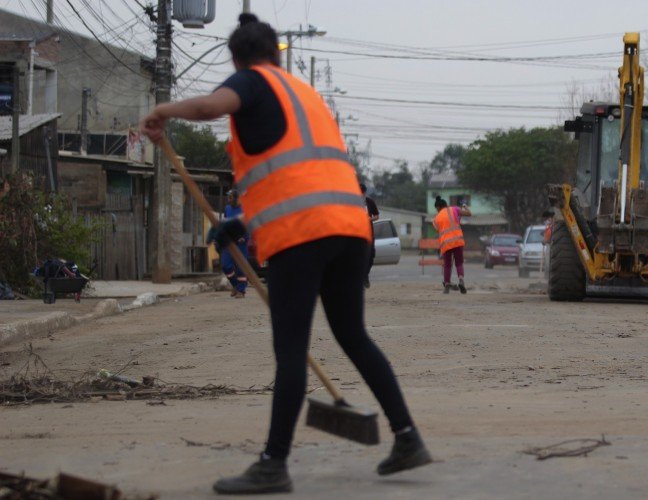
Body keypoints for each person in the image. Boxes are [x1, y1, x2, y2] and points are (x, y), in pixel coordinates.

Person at [139, 13, 431, 495]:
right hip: (350, 230)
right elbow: (298, 178)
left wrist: (164, 110)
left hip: (303, 237)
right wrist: (244, 222)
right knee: (353, 336)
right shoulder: (305, 96)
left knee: (291, 350)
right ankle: (407, 438)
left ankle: (273, 464)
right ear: (277, 52)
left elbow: (214, 106)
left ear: (239, 59)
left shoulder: (252, 82)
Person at [432, 196, 471, 294]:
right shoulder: (455, 209)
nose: (437, 211)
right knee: (459, 263)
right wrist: (465, 206)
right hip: (457, 241)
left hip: (446, 244)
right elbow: (469, 214)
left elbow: (438, 229)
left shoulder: (435, 219)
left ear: (439, 207)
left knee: (447, 265)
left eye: (436, 209)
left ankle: (447, 283)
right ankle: (461, 280)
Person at [219, 189, 249, 298]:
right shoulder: (227, 208)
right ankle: (235, 285)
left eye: (230, 197)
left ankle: (241, 290)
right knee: (225, 265)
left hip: (241, 242)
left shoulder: (245, 209)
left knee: (241, 267)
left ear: (237, 198)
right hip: (229, 241)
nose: (228, 200)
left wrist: (244, 236)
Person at [360, 183, 379, 288]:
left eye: (362, 192)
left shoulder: (370, 202)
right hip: (357, 234)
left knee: (371, 255)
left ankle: (365, 275)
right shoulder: (353, 203)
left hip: (369, 233)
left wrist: (369, 219)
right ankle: (360, 278)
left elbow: (377, 216)